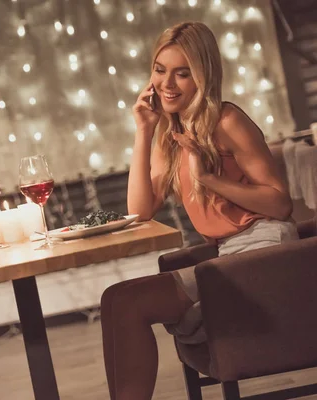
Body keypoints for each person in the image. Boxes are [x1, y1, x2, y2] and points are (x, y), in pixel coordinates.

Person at [100, 22, 297, 399]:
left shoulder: (227, 120)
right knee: (117, 299)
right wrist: (143, 131)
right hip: (227, 256)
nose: (167, 84)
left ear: (203, 76)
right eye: (160, 70)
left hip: (265, 248)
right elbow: (140, 210)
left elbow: (280, 203)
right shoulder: (169, 135)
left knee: (127, 302)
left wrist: (210, 179)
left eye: (182, 73)